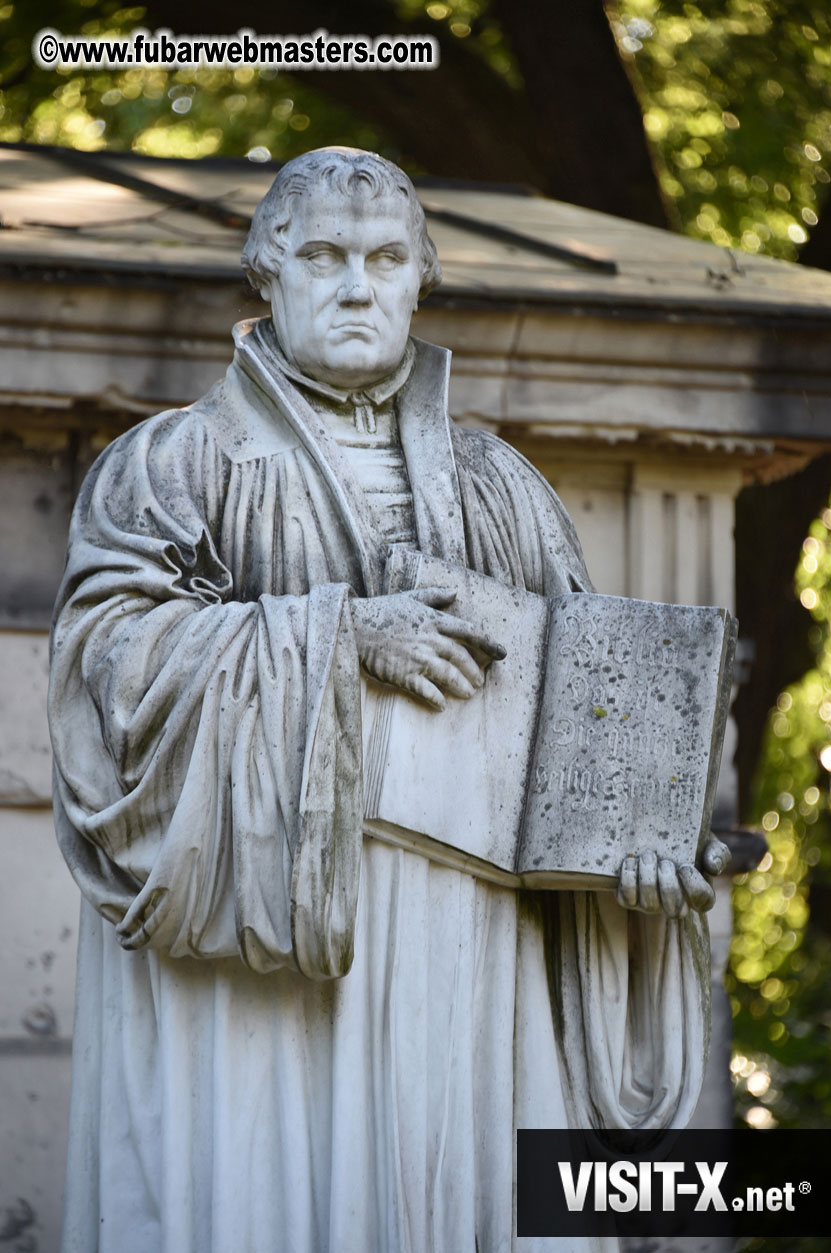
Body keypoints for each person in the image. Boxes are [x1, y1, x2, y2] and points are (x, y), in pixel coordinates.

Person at [49, 147, 726, 1253]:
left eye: (383, 257)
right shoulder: (171, 465)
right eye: (321, 255)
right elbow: (106, 678)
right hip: (262, 950)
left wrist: (636, 875)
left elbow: (588, 742)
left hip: (472, 956)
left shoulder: (504, 489)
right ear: (266, 272)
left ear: (421, 276)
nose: (355, 283)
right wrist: (343, 636)